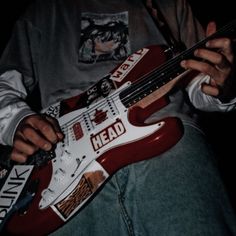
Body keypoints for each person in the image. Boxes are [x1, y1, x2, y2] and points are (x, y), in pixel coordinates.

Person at [0, 0, 236, 235]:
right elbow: (5, 83)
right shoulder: (43, 9)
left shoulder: (172, 5)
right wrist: (17, 120)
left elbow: (201, 83)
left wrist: (223, 83)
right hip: (61, 155)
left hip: (169, 138)